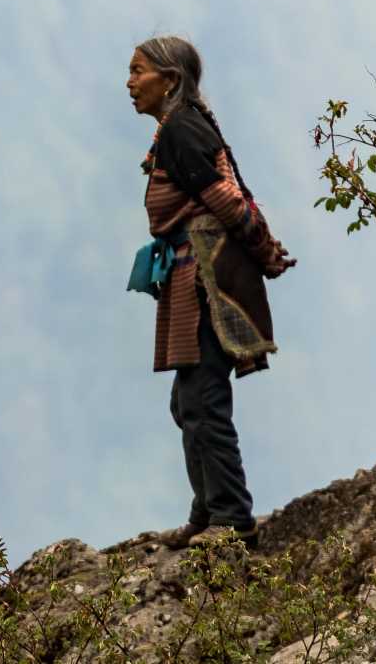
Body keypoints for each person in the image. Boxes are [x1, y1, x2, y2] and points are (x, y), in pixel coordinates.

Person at [124, 35, 295, 551]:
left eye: (138, 71)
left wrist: (263, 250)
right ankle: (207, 510)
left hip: (205, 275)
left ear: (170, 80)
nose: (129, 83)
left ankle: (231, 522)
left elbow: (226, 198)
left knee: (203, 399)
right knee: (188, 401)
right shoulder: (179, 128)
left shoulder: (181, 129)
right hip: (192, 272)